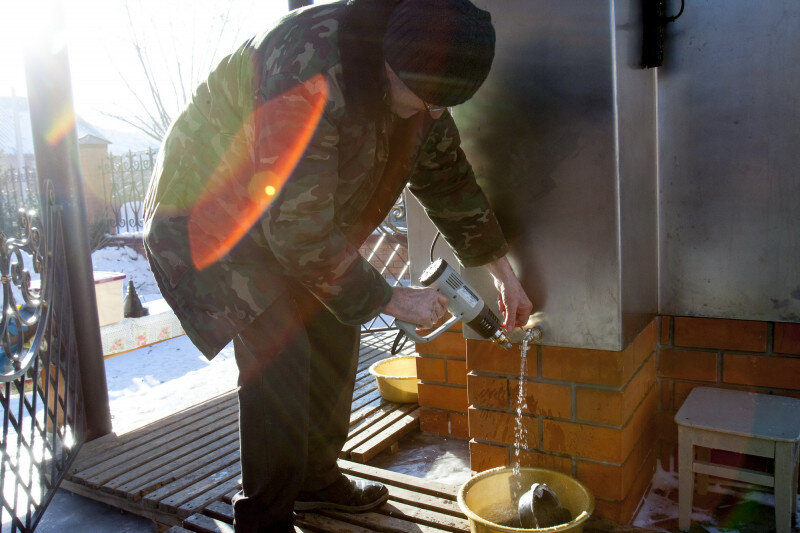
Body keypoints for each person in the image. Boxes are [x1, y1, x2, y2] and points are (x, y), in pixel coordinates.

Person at [142, 0, 533, 530]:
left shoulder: (418, 77)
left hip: (291, 215)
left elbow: (447, 179)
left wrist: (502, 273)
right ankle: (264, 519)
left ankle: (314, 480)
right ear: (390, 65)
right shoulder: (308, 73)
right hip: (211, 218)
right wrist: (391, 297)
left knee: (334, 326)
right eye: (428, 100)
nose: (436, 114)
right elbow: (295, 231)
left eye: (447, 104)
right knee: (279, 350)